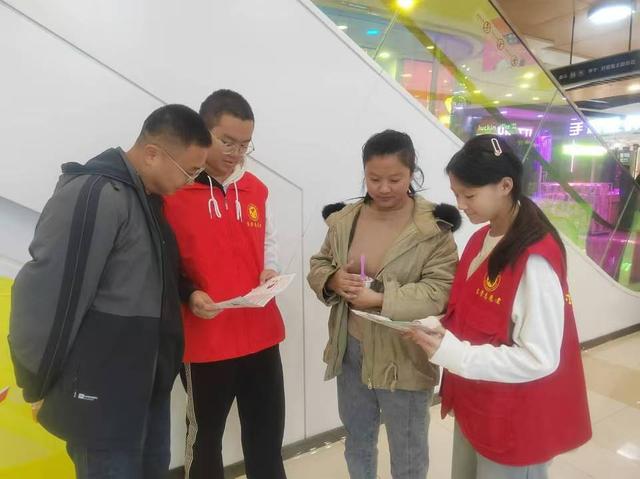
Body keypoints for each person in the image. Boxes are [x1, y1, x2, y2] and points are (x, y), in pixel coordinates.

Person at [8, 104, 211, 479]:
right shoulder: (96, 195)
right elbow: (49, 295)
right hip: (101, 396)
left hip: (144, 387)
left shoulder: (146, 200)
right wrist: (35, 381)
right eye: (190, 170)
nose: (191, 180)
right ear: (152, 153)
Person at [405, 135, 592, 479]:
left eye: (469, 195)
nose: (461, 205)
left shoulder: (534, 259)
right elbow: (471, 310)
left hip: (514, 420)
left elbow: (539, 357)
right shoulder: (481, 238)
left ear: (505, 186)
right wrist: (440, 327)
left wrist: (457, 355)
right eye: (456, 194)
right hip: (476, 403)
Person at [307, 129, 460, 479]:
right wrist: (333, 279)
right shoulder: (345, 219)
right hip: (351, 348)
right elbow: (320, 263)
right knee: (358, 440)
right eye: (374, 179)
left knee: (408, 451)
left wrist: (380, 298)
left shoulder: (433, 227)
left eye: (395, 179)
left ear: (412, 173)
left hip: (403, 352)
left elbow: (440, 290)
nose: (384, 188)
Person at [163, 89, 286, 479]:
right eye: (227, 141)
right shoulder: (173, 190)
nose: (236, 153)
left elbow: (267, 243)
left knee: (266, 438)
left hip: (260, 333)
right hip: (205, 339)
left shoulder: (256, 189)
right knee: (205, 442)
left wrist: (270, 269)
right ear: (203, 132)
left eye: (245, 145)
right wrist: (189, 293)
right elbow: (161, 261)